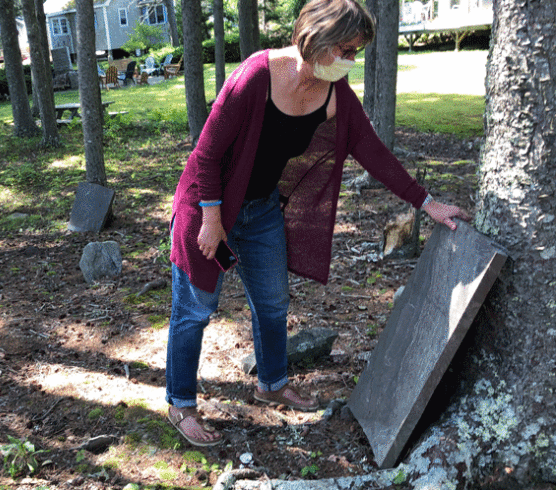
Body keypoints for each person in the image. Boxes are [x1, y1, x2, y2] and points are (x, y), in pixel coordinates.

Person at [165, 0, 470, 447]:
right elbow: (206, 154)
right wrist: (211, 221)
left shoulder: (334, 95)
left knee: (272, 304)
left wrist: (427, 204)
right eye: (345, 49)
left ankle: (270, 384)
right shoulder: (255, 76)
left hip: (261, 211)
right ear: (318, 38)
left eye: (356, 51)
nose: (350, 60)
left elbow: (373, 153)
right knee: (195, 310)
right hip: (207, 206)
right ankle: (180, 404)